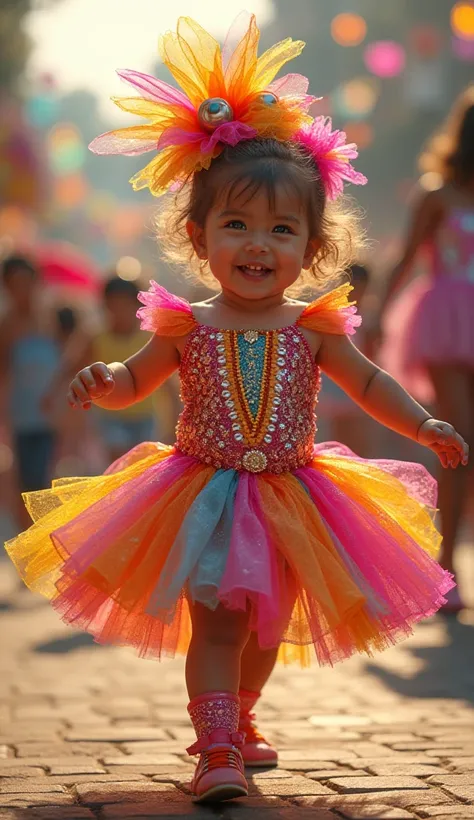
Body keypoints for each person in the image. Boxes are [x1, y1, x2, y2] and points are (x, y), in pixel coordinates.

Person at [5, 15, 469, 805]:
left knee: (264, 626)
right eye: (236, 225)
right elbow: (137, 377)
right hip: (202, 493)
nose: (258, 244)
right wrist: (106, 379)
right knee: (216, 621)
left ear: (312, 249)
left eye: (282, 230)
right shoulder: (187, 324)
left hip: (296, 497)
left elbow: (368, 384)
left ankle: (243, 713)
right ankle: (214, 743)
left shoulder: (311, 325)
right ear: (199, 234)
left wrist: (419, 424)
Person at [378, 85, 474, 613]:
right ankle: (447, 563)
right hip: (446, 321)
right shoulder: (438, 195)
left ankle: (450, 551)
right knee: (461, 438)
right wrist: (371, 316)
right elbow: (406, 257)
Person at [0, 256, 61, 530]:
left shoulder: (56, 319)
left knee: (47, 482)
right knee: (25, 482)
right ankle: (25, 545)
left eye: (26, 283)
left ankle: (45, 547)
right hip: (22, 416)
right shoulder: (6, 327)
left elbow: (70, 364)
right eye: (14, 285)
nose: (21, 291)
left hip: (54, 415)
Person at [92, 276, 172, 463]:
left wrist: (176, 414)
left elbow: (166, 379)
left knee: (142, 463)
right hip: (112, 415)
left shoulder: (149, 339)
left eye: (124, 305)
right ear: (105, 306)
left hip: (145, 416)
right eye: (114, 305)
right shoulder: (97, 339)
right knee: (118, 459)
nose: (119, 312)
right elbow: (73, 365)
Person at [318, 263, 377, 457]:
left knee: (360, 433)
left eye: (360, 287)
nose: (356, 292)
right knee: (339, 434)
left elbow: (371, 354)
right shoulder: (333, 316)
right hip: (338, 382)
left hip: (360, 382)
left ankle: (359, 468)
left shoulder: (369, 316)